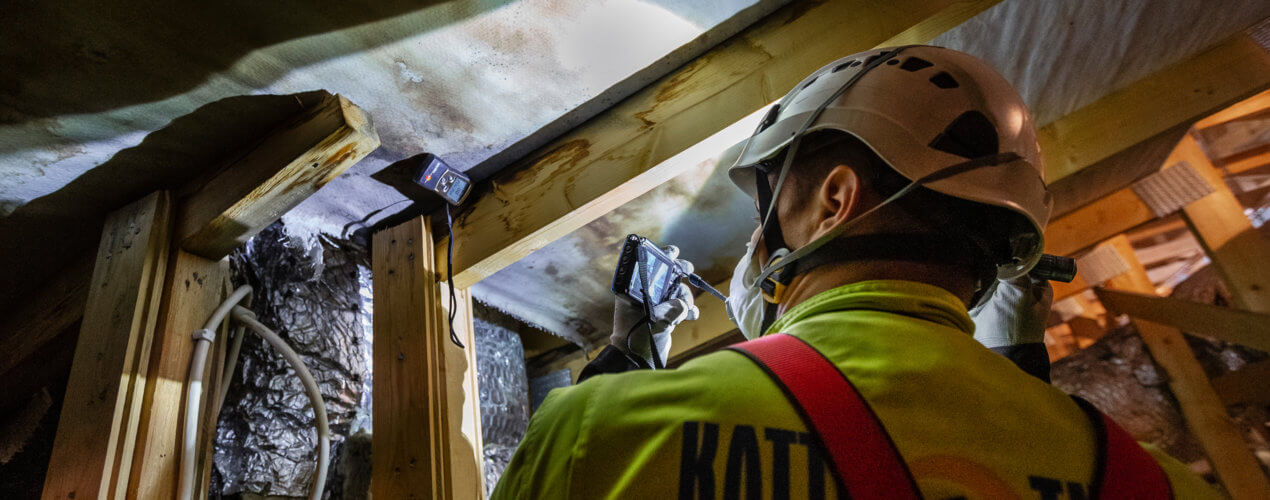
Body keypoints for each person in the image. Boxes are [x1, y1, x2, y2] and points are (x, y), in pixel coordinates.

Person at [491, 46, 1217, 499]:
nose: (755, 242)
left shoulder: (608, 431)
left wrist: (626, 360)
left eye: (769, 204)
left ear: (837, 200)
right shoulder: (1160, 486)